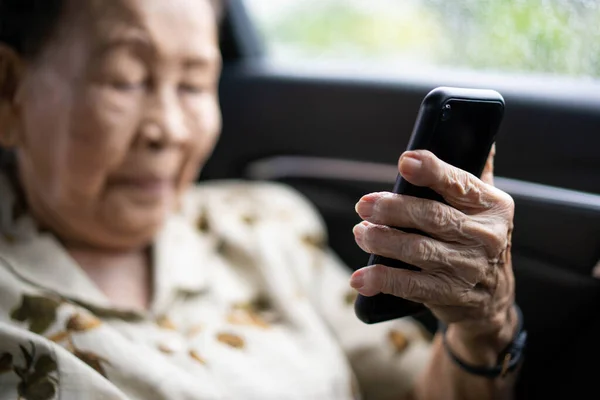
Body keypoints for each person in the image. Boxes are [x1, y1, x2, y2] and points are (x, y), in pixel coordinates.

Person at [0, 0, 520, 398]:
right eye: (125, 80)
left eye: (193, 84)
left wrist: (482, 330)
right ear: (9, 92)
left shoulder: (265, 225)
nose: (171, 130)